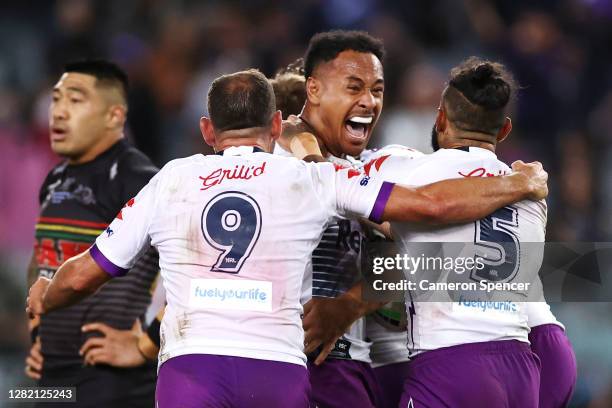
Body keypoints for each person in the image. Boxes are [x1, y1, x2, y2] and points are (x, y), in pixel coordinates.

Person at [27, 68, 547, 408]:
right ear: (277, 125)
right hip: (281, 373)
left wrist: (47, 293)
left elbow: (85, 273)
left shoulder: (172, 179)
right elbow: (432, 206)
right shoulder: (316, 179)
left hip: (192, 368)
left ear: (208, 131)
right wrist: (517, 182)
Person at [372, 57, 546, 407]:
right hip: (521, 369)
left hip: (451, 363)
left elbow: (349, 198)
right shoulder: (533, 192)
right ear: (503, 130)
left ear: (439, 118)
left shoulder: (410, 173)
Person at [25, 59, 159, 407]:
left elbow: (186, 263)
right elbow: (40, 256)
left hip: (114, 383)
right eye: (56, 99)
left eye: (75, 99)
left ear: (114, 116)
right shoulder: (55, 178)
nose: (58, 112)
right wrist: (37, 331)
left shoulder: (139, 178)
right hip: (52, 378)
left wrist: (146, 343)